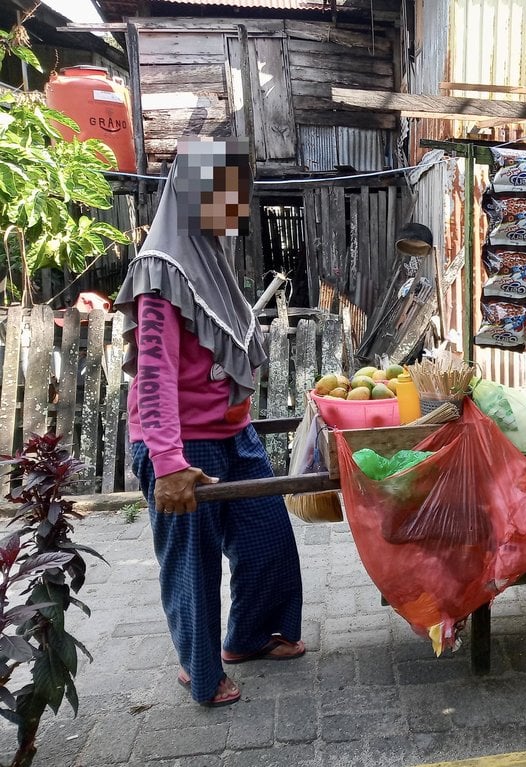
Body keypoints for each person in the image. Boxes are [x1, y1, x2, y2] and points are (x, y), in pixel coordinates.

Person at [115, 137, 304, 708]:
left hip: (232, 433)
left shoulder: (210, 260)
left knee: (268, 541)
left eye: (238, 190)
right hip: (180, 446)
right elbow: (152, 377)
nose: (236, 203)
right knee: (193, 571)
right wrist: (169, 465)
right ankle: (200, 673)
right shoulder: (161, 272)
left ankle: (246, 638)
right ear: (192, 193)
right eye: (224, 189)